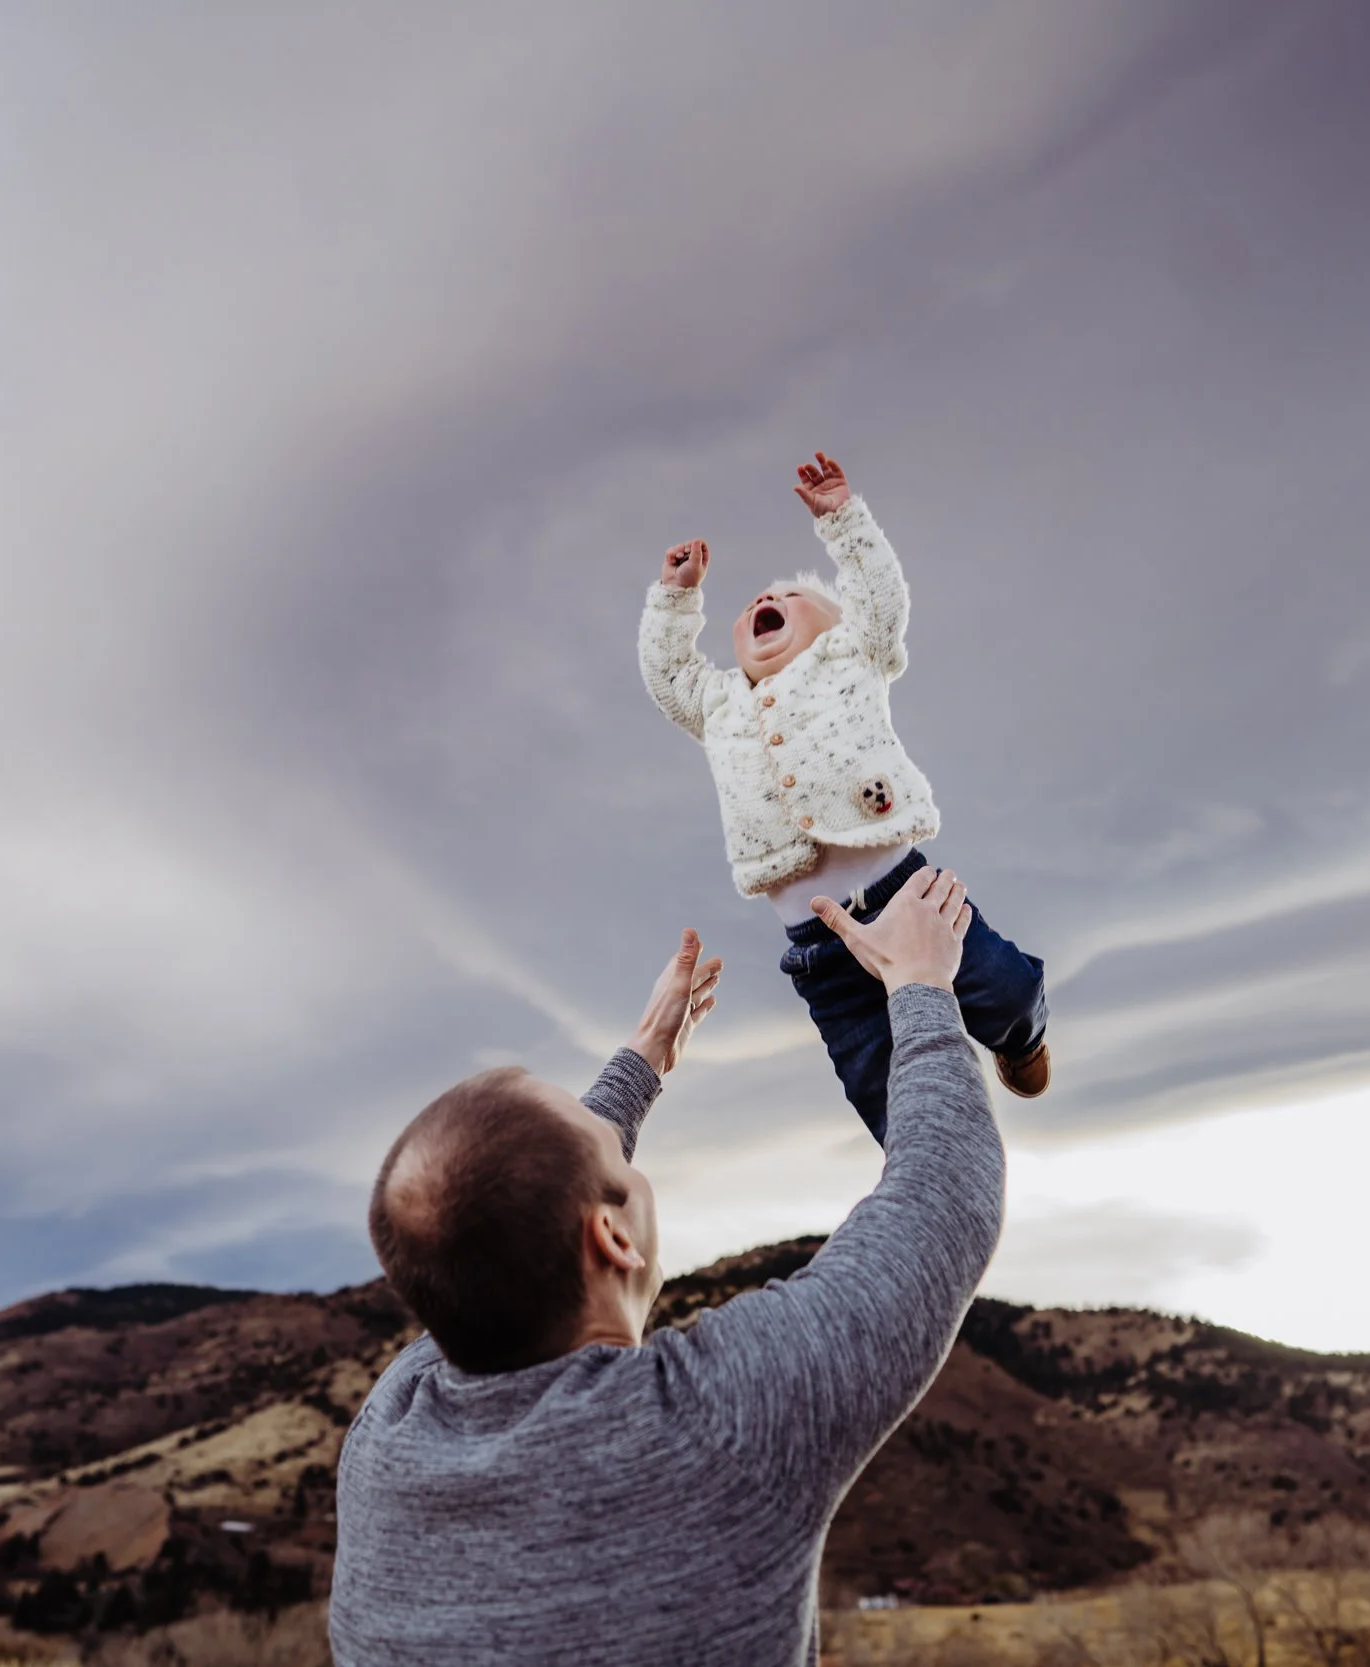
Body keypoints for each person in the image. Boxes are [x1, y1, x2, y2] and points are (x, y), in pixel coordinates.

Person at [330, 870, 1005, 1665]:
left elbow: (483, 1222)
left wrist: (641, 1061)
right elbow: (944, 1197)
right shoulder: (715, 1421)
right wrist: (922, 983)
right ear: (613, 1239)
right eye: (612, 1154)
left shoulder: (384, 1442)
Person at [639, 451, 1050, 1142]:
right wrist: (675, 599)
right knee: (882, 1091)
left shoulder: (850, 656)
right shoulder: (720, 704)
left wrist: (842, 520)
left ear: (833, 625)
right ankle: (931, 1163)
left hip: (909, 898)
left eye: (788, 598)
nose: (761, 604)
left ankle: (1022, 1038)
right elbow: (669, 673)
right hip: (820, 952)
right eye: (748, 609)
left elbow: (878, 600)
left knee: (1004, 988)